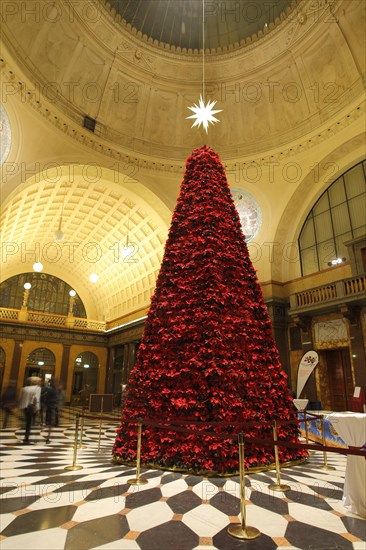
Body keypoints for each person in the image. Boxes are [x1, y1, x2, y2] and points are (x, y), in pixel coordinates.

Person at [18, 377, 41, 444]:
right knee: (29, 422)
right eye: (38, 381)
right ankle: (26, 436)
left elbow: (21, 398)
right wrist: (37, 408)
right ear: (35, 382)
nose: (39, 383)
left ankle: (26, 434)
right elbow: (37, 398)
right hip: (31, 407)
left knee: (27, 421)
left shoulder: (24, 388)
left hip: (24, 407)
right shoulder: (37, 388)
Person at [44, 377, 59, 443]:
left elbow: (46, 398)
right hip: (51, 408)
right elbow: (54, 399)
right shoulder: (53, 390)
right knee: (50, 423)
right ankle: (48, 437)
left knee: (49, 423)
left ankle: (48, 437)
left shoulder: (50, 390)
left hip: (49, 407)